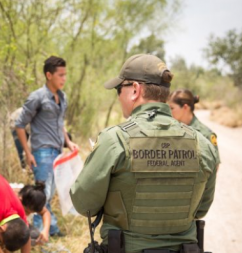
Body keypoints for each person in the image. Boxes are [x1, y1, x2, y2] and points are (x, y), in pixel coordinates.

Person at [70, 54, 218, 253]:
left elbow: (84, 203)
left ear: (134, 90)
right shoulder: (203, 144)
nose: (118, 96)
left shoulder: (115, 140)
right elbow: (201, 209)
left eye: (118, 89)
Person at [15, 56, 78, 237]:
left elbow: (60, 124)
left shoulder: (62, 97)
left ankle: (52, 228)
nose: (64, 79)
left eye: (65, 75)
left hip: (57, 152)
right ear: (49, 75)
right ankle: (37, 236)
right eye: (60, 75)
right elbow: (19, 125)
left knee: (50, 194)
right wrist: (27, 153)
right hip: (41, 153)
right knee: (41, 196)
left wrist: (68, 142)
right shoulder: (37, 97)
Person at [168, 89, 221, 165]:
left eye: (172, 108)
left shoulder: (205, 134)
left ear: (185, 107)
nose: (169, 111)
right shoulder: (170, 128)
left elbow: (214, 165)